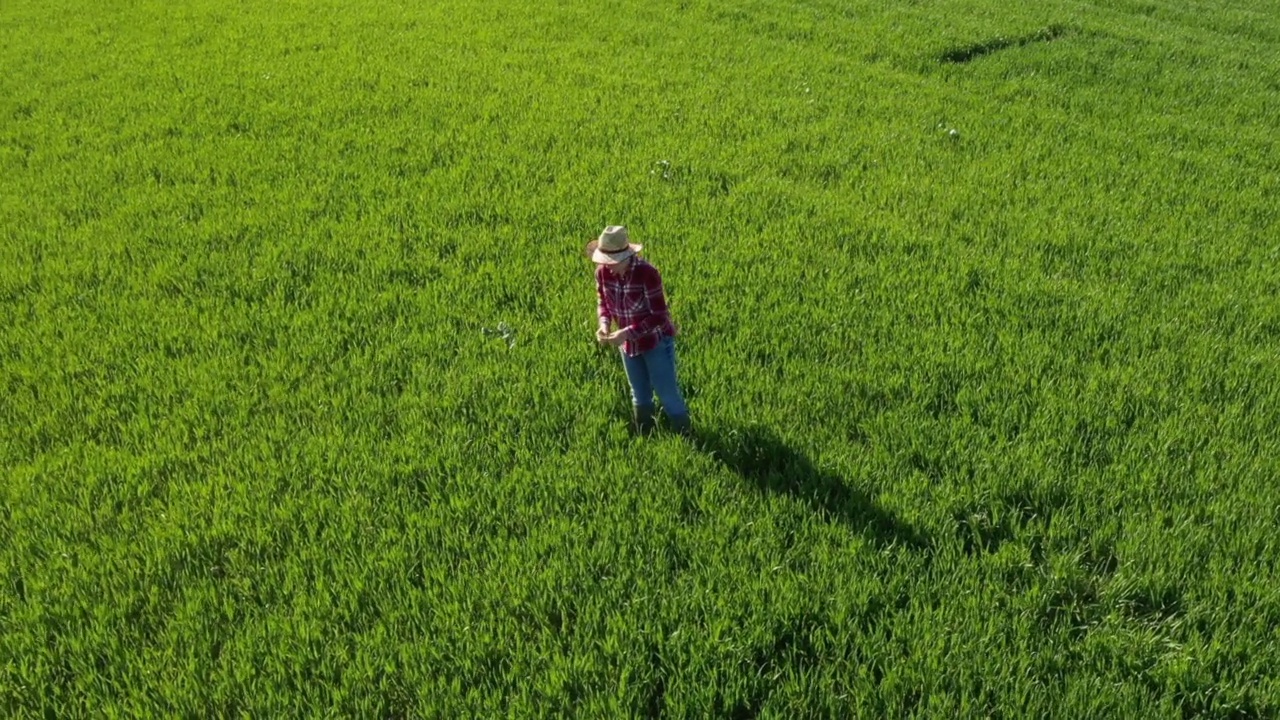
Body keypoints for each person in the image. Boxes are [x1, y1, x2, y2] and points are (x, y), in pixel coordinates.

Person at [586, 225, 691, 436]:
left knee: (667, 395)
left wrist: (625, 333)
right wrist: (604, 324)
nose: (607, 266)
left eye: (611, 262)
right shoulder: (603, 274)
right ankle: (645, 433)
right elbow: (603, 303)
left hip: (655, 342)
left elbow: (659, 317)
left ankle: (687, 436)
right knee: (639, 393)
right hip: (627, 344)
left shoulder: (647, 274)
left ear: (626, 256)